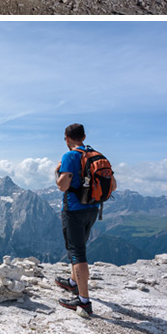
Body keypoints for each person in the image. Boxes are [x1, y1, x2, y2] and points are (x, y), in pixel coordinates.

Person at [54, 123, 116, 317]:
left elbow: (63, 186)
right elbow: (112, 185)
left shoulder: (70, 156)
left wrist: (57, 172)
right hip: (93, 209)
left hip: (74, 210)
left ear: (67, 138)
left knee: (76, 252)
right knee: (80, 246)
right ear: (84, 136)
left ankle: (83, 301)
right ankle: (73, 282)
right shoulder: (98, 156)